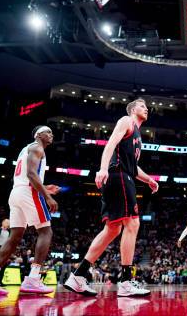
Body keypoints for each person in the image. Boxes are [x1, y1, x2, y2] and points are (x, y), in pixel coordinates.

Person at [65, 98, 159, 297]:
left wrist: (150, 179)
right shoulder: (126, 121)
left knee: (112, 229)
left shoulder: (138, 136)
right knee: (132, 224)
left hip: (123, 176)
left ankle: (78, 275)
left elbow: (134, 167)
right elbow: (110, 144)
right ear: (133, 109)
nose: (146, 109)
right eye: (142, 106)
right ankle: (125, 282)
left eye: (146, 107)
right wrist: (102, 169)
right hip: (118, 176)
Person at [0, 126, 59, 296]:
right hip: (29, 192)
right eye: (48, 132)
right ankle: (33, 279)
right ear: (38, 135)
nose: (51, 134)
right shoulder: (37, 147)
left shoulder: (26, 149)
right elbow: (30, 174)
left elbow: (28, 175)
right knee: (46, 231)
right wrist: (47, 196)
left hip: (16, 193)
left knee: (14, 237)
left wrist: (45, 187)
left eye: (51, 132)